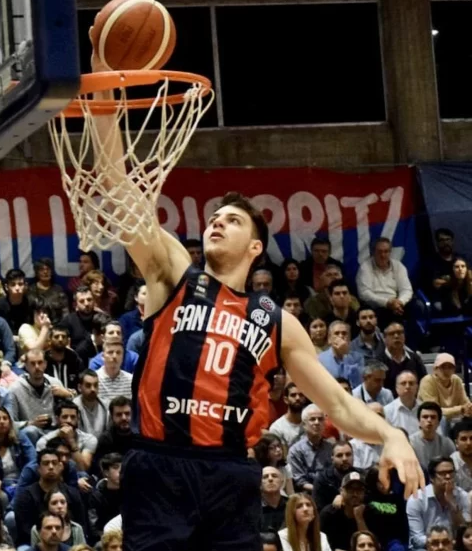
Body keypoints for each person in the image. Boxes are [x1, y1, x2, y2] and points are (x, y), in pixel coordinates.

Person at [85, 36, 422, 551]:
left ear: (256, 247)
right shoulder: (174, 274)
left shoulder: (275, 320)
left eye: (232, 220)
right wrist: (104, 82)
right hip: (160, 464)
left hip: (229, 475)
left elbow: (336, 403)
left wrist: (392, 435)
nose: (217, 222)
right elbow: (117, 185)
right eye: (215, 217)